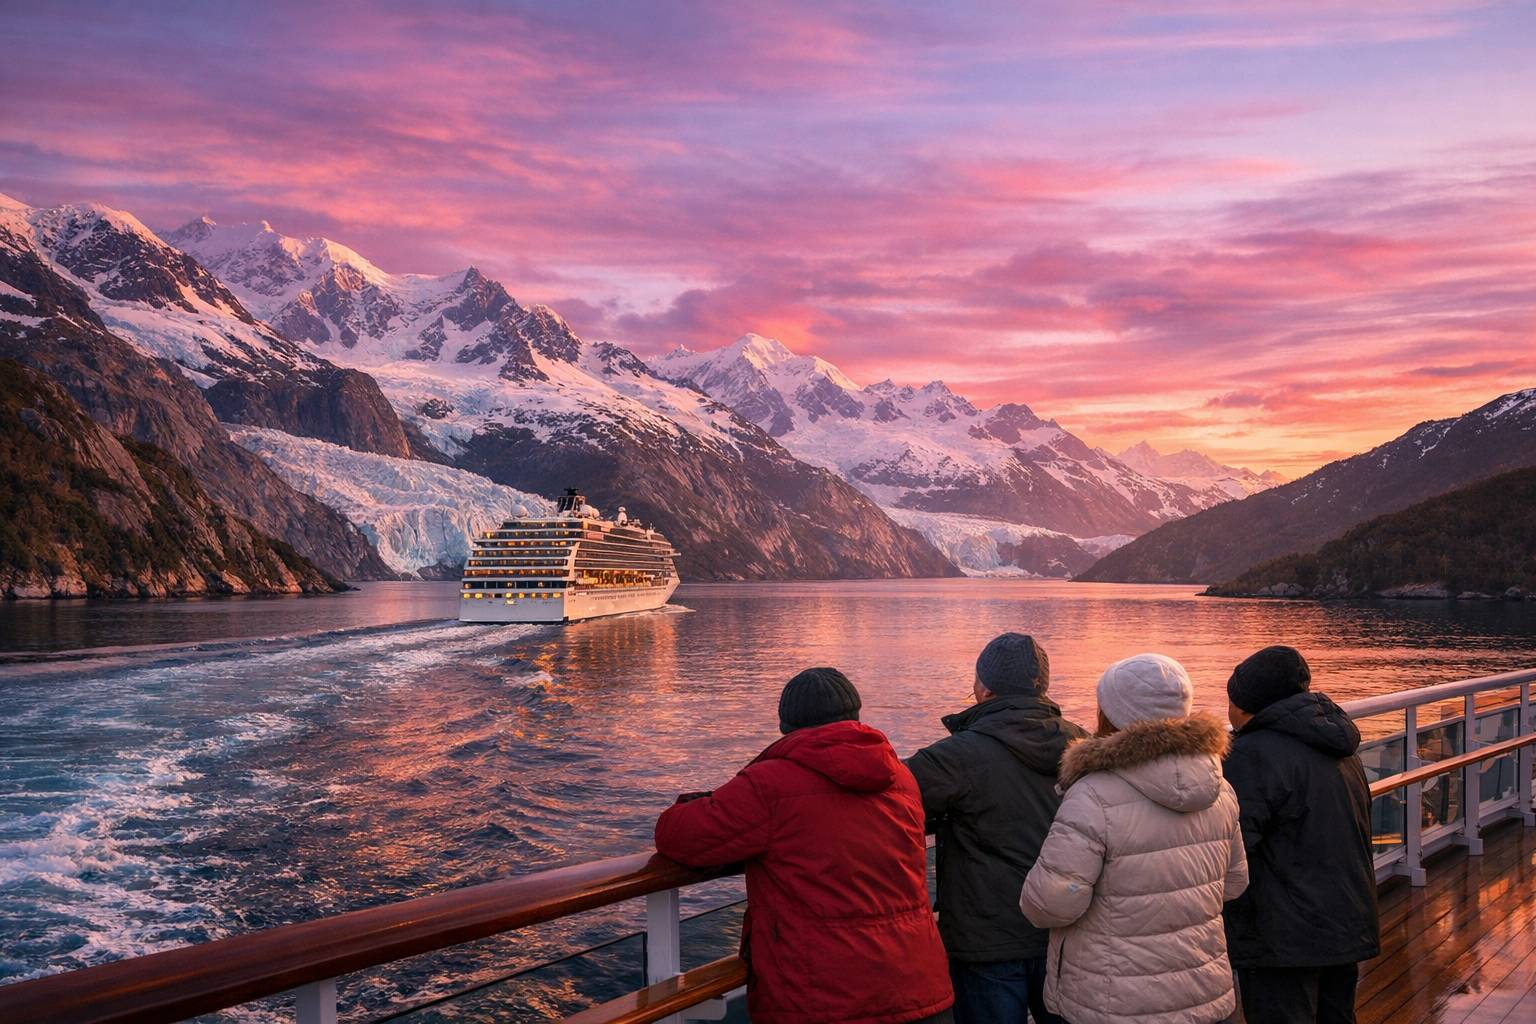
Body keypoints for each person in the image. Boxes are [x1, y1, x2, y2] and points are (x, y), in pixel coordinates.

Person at [653, 667, 955, 1024]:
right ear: (854, 717)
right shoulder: (899, 776)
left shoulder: (770, 784)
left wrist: (699, 800)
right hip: (917, 986)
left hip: (824, 998)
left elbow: (679, 835)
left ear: (787, 726)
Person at [1020, 653, 1248, 1024]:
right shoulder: (1220, 788)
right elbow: (1235, 882)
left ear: (1112, 716)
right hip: (1200, 989)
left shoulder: (1094, 795)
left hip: (1113, 1001)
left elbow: (1050, 904)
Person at [906, 633, 1088, 1024]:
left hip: (986, 941)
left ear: (984, 688)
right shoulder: (1083, 745)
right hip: (1065, 932)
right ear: (1043, 685)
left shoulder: (955, 758)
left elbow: (886, 801)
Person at [1221, 645, 1379, 1023]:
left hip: (1283, 937)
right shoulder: (1340, 747)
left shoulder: (1251, 754)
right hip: (1344, 920)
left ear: (1245, 704)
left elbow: (1235, 848)